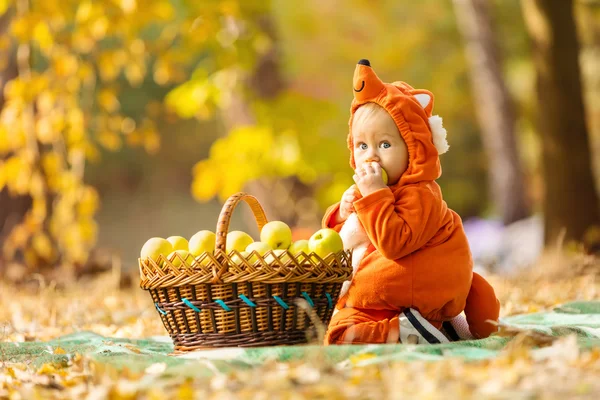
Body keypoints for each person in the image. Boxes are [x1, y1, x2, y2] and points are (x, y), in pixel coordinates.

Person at [323, 59, 500, 345]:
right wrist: (342, 213)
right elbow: (352, 235)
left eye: (385, 145)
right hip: (393, 299)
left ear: (414, 148)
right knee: (336, 323)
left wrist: (374, 195)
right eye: (362, 146)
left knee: (340, 336)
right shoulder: (379, 187)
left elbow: (394, 242)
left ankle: (409, 330)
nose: (371, 156)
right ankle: (429, 327)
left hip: (413, 290)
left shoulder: (420, 193)